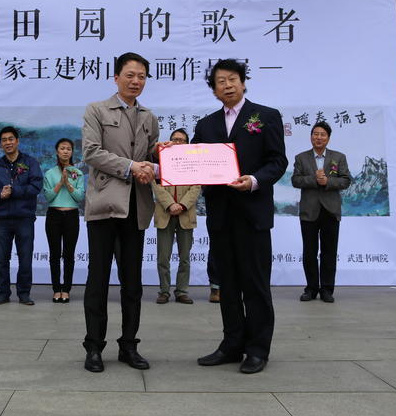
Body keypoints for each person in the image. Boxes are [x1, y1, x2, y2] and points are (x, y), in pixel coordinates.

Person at [191, 58, 287, 374]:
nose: (227, 85)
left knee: (255, 284)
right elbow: (191, 161)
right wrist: (164, 155)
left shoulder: (266, 116)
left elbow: (278, 161)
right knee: (228, 285)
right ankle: (232, 345)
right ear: (214, 90)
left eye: (232, 79)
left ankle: (258, 349)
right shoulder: (206, 125)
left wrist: (254, 180)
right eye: (221, 81)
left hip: (253, 214)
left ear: (243, 83)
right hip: (220, 216)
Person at [81, 51, 160, 373]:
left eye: (141, 76)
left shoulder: (149, 117)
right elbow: (91, 152)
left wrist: (158, 159)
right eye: (130, 75)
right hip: (104, 206)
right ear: (116, 78)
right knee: (98, 280)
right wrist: (130, 167)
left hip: (136, 208)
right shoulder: (96, 110)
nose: (136, 81)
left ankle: (129, 345)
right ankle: (94, 346)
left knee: (133, 283)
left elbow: (152, 156)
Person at [291, 121, 351, 303]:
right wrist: (314, 179)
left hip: (330, 211)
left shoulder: (338, 157)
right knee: (309, 252)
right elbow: (295, 180)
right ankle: (311, 289)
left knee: (329, 252)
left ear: (328, 138)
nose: (318, 137)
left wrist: (328, 182)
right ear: (311, 137)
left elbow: (346, 180)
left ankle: (327, 289)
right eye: (315, 134)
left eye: (322, 134)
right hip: (309, 211)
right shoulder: (301, 158)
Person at [0, 126, 43, 306]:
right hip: (2, 220)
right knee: (2, 260)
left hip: (24, 218)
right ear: (0, 144)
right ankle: (3, 293)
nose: (7, 142)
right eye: (4, 140)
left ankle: (24, 294)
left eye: (10, 139)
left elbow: (36, 187)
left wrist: (14, 190)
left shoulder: (30, 163)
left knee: (25, 258)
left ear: (17, 141)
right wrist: (0, 194)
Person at [152, 128, 201, 305]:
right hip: (165, 213)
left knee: (184, 257)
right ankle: (164, 291)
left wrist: (182, 205)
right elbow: (155, 185)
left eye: (181, 140)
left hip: (185, 214)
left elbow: (196, 186)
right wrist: (170, 204)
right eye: (175, 139)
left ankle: (181, 291)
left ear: (187, 143)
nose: (178, 142)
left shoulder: (193, 163)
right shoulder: (161, 161)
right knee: (163, 257)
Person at [43, 138, 85, 304]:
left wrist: (68, 184)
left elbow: (79, 197)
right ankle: (56, 289)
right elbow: (48, 197)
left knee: (69, 254)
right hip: (54, 215)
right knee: (54, 254)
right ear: (57, 151)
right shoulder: (50, 173)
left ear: (72, 152)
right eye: (62, 148)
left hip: (71, 216)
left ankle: (66, 289)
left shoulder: (77, 173)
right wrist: (60, 183)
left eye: (68, 149)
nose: (65, 151)